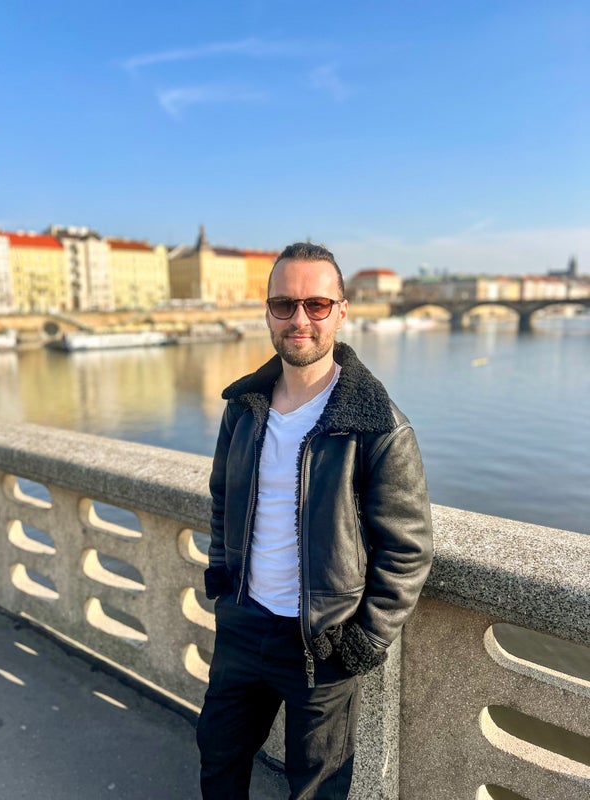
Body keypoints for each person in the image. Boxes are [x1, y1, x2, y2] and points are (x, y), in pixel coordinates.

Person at [197, 242, 433, 799]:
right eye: (284, 304)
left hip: (322, 642)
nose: (299, 319)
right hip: (243, 624)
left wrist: (364, 640)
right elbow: (222, 500)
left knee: (317, 787)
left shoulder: (377, 424)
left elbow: (408, 549)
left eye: (317, 304)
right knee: (218, 758)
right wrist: (224, 584)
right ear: (268, 312)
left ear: (341, 312)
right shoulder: (243, 407)